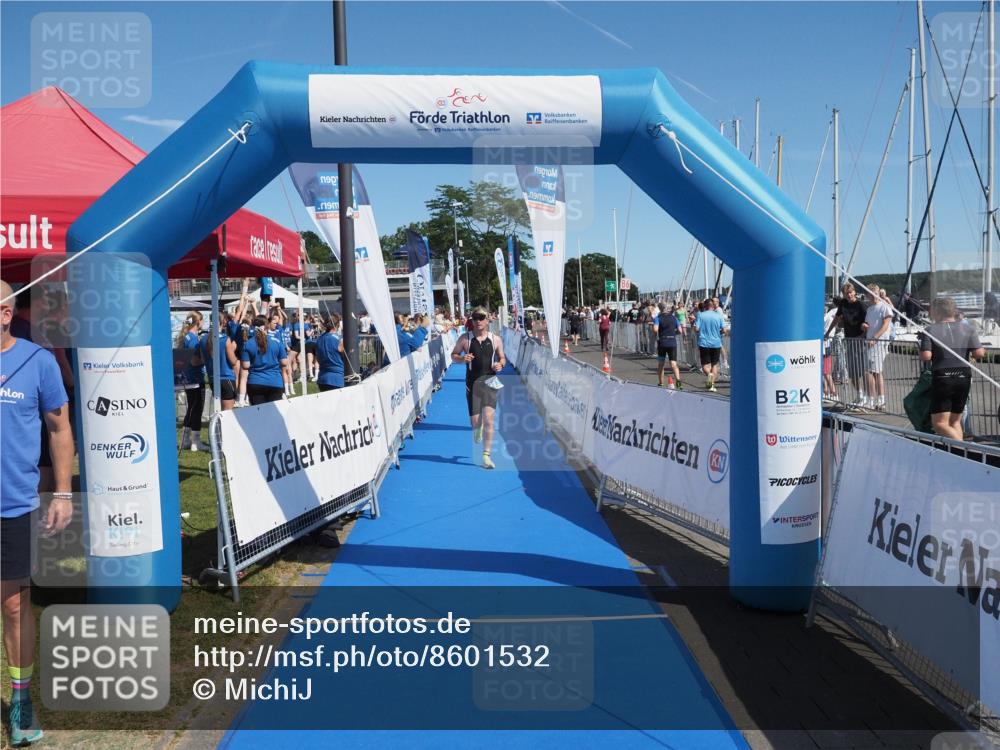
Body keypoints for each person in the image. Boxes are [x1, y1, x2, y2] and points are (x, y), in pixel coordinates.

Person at [1, 280, 74, 746]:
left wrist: (64, 492)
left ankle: (20, 699)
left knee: (13, 605)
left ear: (5, 313)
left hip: (14, 505)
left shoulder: (36, 361)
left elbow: (59, 428)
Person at [919, 297, 985, 440]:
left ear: (937, 312)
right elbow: (978, 353)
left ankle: (961, 449)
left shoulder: (930, 330)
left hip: (943, 377)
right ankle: (959, 451)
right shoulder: (968, 328)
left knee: (940, 424)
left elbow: (926, 356)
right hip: (963, 376)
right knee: (954, 422)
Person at [451, 306, 506, 470]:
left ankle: (486, 455)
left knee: (489, 419)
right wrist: (462, 359)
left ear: (488, 320)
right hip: (472, 385)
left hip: (490, 383)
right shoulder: (465, 339)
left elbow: (502, 358)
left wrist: (500, 365)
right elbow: (453, 355)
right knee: (476, 422)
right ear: (472, 320)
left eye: (481, 317)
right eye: (475, 318)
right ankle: (478, 428)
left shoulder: (495, 339)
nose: (478, 321)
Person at [238, 315, 291, 405]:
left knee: (259, 416)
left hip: (255, 382)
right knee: (273, 415)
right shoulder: (277, 342)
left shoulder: (248, 343)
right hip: (275, 382)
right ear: (267, 326)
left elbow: (245, 365)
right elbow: (284, 362)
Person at [833, 282, 868, 406]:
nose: (848, 295)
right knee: (852, 370)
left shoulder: (861, 305)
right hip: (849, 340)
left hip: (860, 340)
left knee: (863, 369)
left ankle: (867, 396)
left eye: (850, 293)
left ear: (854, 292)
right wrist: (827, 332)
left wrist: (862, 336)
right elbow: (837, 318)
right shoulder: (843, 304)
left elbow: (868, 323)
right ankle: (859, 395)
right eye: (846, 293)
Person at [176, 312, 207, 451]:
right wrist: (207, 359)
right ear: (197, 322)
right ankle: (195, 441)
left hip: (188, 378)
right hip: (195, 378)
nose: (204, 322)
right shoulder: (193, 339)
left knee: (192, 408)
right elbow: (194, 361)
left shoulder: (186, 336)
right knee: (197, 409)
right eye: (203, 320)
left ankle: (187, 440)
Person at [862, 284, 893, 411]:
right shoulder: (870, 309)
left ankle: (875, 399)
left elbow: (886, 324)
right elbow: (868, 324)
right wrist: (863, 327)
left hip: (878, 343)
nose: (871, 295)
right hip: (870, 342)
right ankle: (878, 400)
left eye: (873, 292)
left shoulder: (884, 307)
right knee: (874, 371)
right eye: (869, 293)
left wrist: (875, 338)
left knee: (871, 372)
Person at [200, 316, 239, 411]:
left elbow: (203, 359)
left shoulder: (203, 339)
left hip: (212, 379)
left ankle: (218, 425)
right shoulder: (225, 339)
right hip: (226, 378)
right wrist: (233, 349)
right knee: (227, 411)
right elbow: (233, 361)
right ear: (223, 323)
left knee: (218, 410)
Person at [694, 298, 727, 392]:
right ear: (713, 306)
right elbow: (724, 330)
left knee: (705, 365)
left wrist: (701, 330)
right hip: (716, 343)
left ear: (705, 306)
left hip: (704, 342)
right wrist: (718, 331)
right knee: (714, 365)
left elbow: (696, 329)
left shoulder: (701, 315)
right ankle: (712, 385)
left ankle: (709, 377)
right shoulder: (719, 316)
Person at [653, 302, 683, 389]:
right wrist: (674, 333)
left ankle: (661, 382)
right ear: (668, 309)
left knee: (661, 364)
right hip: (672, 341)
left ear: (660, 309)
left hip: (663, 342)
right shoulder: (674, 318)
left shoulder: (658, 318)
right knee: (673, 363)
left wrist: (656, 333)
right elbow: (680, 331)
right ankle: (678, 380)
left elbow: (655, 329)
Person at [315, 314, 346, 391]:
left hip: (322, 379)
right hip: (337, 380)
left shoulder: (319, 339)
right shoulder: (339, 340)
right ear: (338, 325)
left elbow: (317, 358)